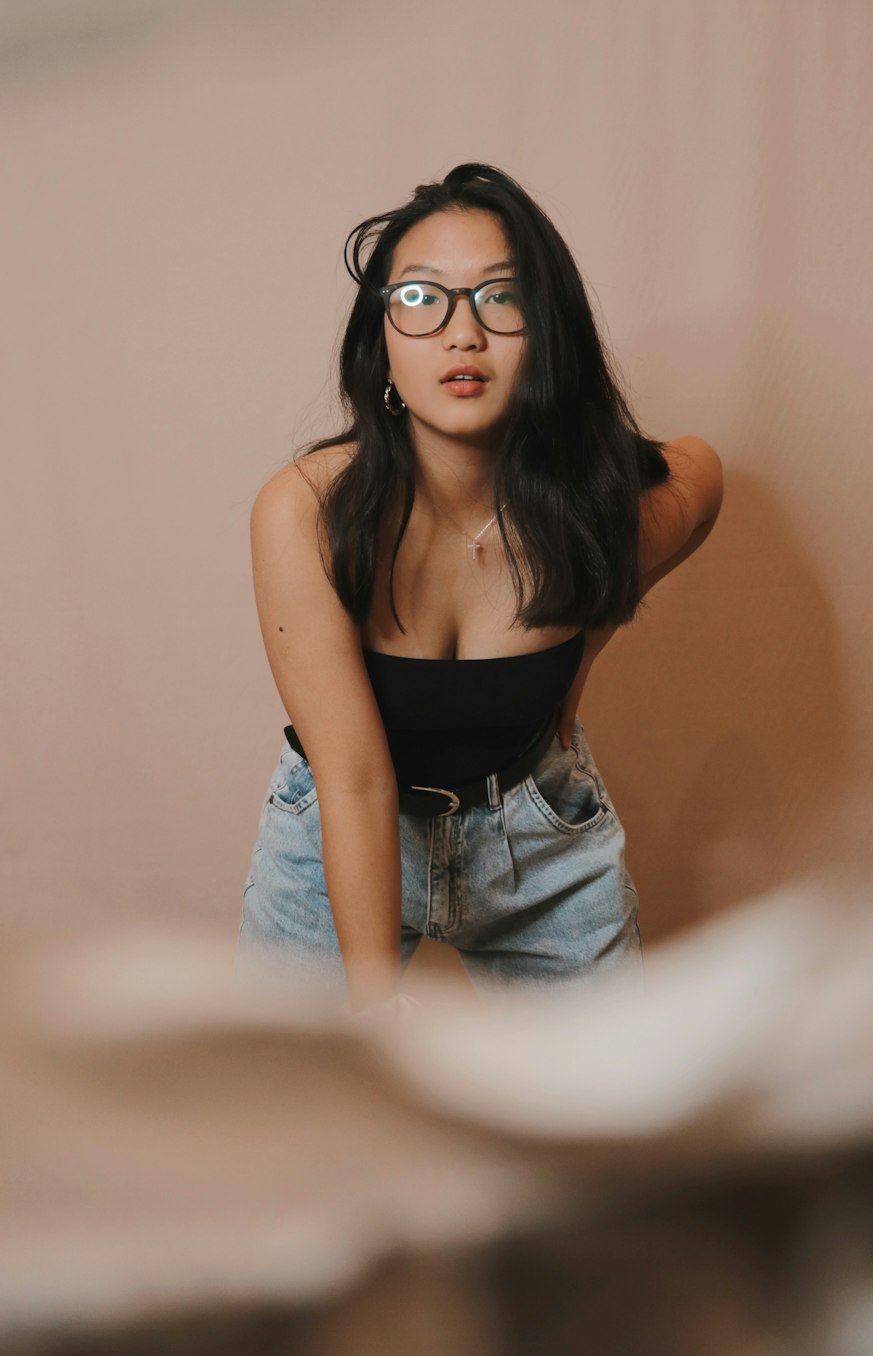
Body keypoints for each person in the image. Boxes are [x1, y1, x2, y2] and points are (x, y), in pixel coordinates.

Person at [237, 162, 723, 1018]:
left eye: (500, 298)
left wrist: (588, 634)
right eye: (422, 300)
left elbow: (702, 475)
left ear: (547, 332)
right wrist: (373, 1026)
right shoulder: (307, 512)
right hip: (337, 833)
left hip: (535, 833)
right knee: (292, 1121)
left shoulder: (592, 512)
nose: (462, 335)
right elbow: (354, 780)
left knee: (604, 1126)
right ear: (380, 337)